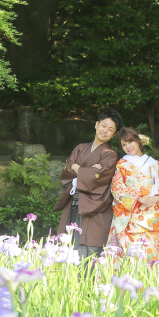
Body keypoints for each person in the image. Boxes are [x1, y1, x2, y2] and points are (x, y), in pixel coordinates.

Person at [53, 110, 123, 260]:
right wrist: (87, 172)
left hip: (94, 210)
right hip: (73, 204)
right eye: (104, 125)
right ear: (96, 125)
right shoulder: (80, 148)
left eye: (110, 129)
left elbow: (97, 180)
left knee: (86, 253)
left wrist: (77, 169)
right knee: (68, 248)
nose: (105, 131)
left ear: (114, 135)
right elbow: (66, 173)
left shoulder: (109, 154)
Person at [107, 127, 159, 262]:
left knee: (152, 257)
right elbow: (117, 188)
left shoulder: (155, 164)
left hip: (153, 217)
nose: (128, 146)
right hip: (132, 218)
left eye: (130, 142)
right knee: (132, 259)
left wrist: (157, 197)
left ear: (139, 140)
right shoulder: (122, 165)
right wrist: (139, 198)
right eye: (124, 144)